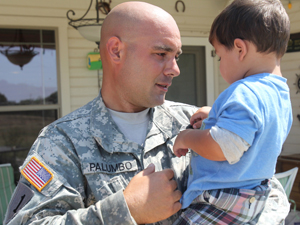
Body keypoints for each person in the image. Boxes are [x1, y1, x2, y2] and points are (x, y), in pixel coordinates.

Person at [3, 1, 290, 225]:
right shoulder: (62, 142)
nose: (175, 68)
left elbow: (264, 188)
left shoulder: (195, 122)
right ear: (116, 51)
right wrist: (125, 210)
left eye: (176, 56)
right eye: (161, 54)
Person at [172, 0, 292, 224]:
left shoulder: (245, 91)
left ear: (240, 49)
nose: (219, 63)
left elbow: (225, 146)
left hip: (222, 198)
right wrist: (215, 117)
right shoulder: (279, 95)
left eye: (219, 55)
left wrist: (186, 137)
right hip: (253, 198)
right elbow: (256, 131)